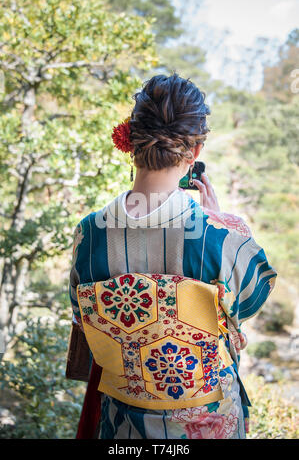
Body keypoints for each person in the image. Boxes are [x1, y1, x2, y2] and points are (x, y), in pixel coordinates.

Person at [69, 73, 277, 439]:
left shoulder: (89, 234)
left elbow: (82, 317)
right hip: (208, 424)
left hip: (123, 424)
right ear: (195, 151)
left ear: (129, 141)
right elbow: (245, 304)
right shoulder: (222, 234)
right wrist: (219, 216)